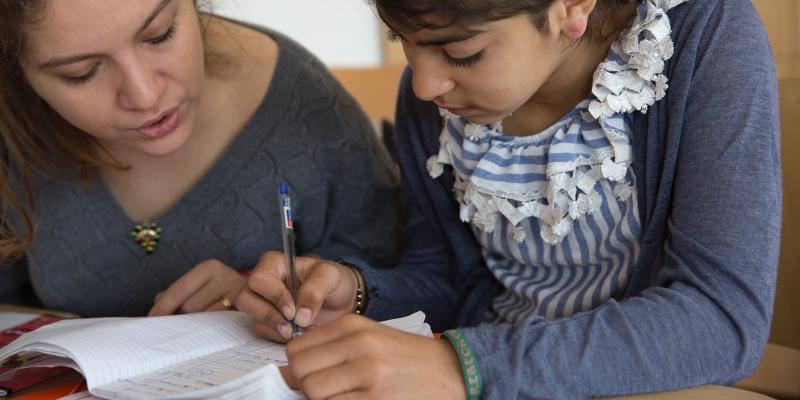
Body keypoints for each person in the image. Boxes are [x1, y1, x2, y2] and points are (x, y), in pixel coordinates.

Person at [236, 0, 782, 398]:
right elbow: (448, 277)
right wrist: (358, 292)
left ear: (572, 7)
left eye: (461, 52)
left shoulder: (700, 39)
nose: (423, 84)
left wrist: (463, 367)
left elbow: (720, 318)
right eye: (403, 39)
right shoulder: (438, 103)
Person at [0, 0, 404, 318]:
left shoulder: (304, 110)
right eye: (82, 73)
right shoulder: (13, 133)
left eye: (160, 35)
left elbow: (407, 285)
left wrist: (272, 299)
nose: (144, 95)